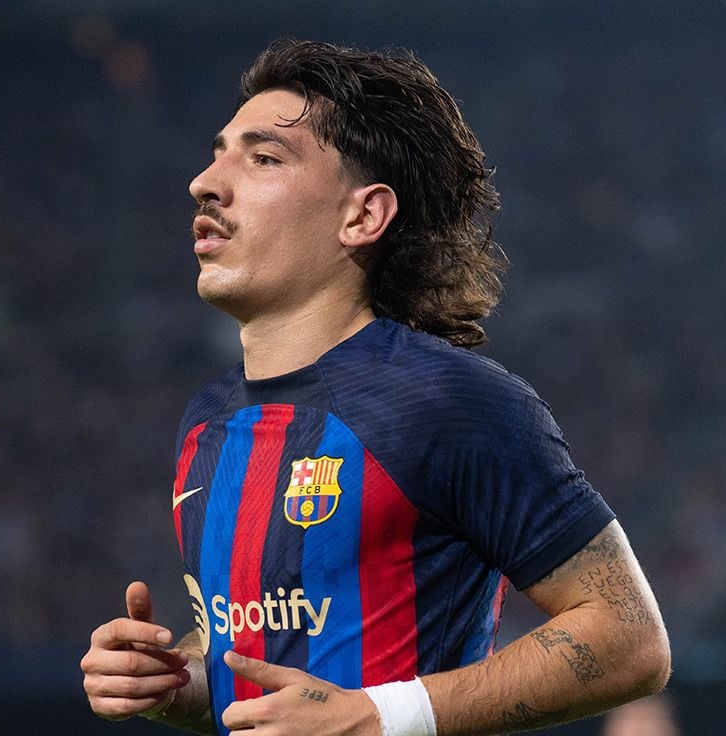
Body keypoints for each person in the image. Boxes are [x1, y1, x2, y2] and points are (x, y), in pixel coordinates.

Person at [81, 39, 671, 736]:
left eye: (263, 158)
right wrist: (178, 682)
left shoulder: (447, 401)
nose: (204, 183)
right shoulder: (207, 421)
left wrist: (378, 717)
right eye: (218, 154)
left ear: (362, 217)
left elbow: (631, 639)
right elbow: (265, 662)